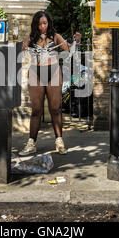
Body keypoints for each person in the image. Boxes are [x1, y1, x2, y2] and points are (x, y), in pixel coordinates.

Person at [19, 11, 81, 156]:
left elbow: (70, 51)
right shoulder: (31, 38)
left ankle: (59, 141)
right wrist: (22, 48)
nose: (42, 27)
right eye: (39, 24)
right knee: (36, 110)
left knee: (55, 109)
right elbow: (21, 52)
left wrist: (77, 42)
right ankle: (31, 144)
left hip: (53, 72)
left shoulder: (56, 37)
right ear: (35, 24)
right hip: (36, 73)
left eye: (44, 23)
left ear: (48, 23)